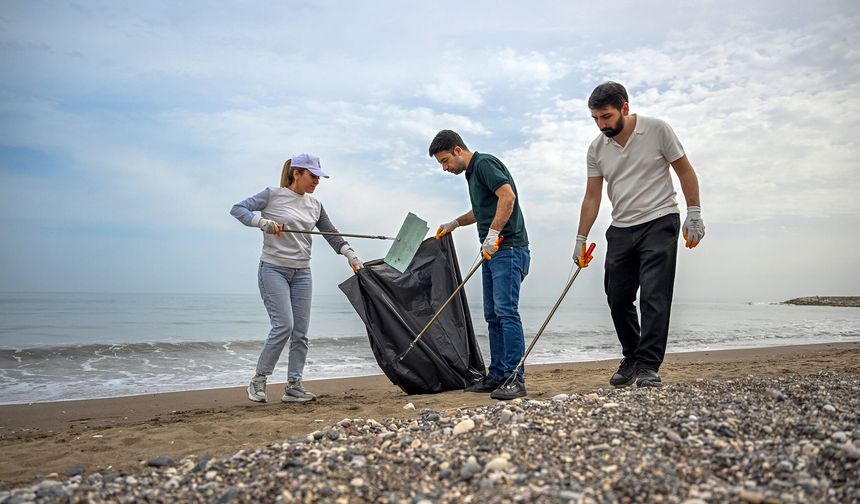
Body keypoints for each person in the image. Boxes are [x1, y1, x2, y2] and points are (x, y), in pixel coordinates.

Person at [573, 81, 705, 388]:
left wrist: (694, 213)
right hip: (621, 228)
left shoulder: (658, 130)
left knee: (654, 296)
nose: (601, 124)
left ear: (625, 108)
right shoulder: (596, 149)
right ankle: (632, 354)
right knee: (617, 298)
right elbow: (592, 197)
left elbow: (684, 170)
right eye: (595, 119)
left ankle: (648, 365)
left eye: (606, 116)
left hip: (660, 220)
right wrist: (580, 240)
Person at [230, 153, 364, 403]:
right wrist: (262, 222)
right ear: (297, 173)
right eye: (313, 176)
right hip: (273, 269)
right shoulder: (272, 194)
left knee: (301, 332)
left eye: (319, 177)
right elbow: (238, 209)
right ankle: (259, 380)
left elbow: (331, 233)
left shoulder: (315, 205)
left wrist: (350, 254)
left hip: (302, 272)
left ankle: (294, 385)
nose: (317, 181)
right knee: (284, 325)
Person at [429, 130, 531, 400]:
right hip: (492, 252)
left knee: (506, 312)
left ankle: (514, 377)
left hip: (508, 249)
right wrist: (455, 223)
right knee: (493, 315)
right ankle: (497, 374)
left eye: (445, 160)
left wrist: (495, 234)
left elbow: (507, 197)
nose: (445, 167)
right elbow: (482, 210)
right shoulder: (471, 175)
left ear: (458, 150)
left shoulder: (484, 164)